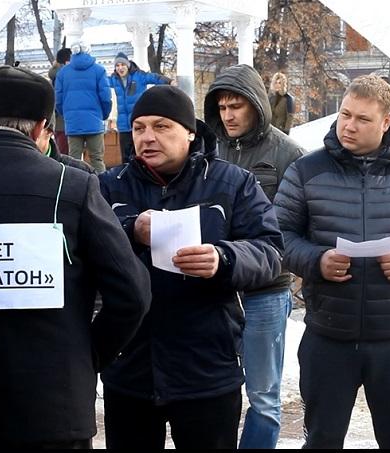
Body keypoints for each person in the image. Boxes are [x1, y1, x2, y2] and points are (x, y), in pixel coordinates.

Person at [0, 65, 151, 449]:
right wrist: (89, 353)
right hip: (53, 409)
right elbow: (132, 293)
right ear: (40, 129)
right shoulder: (73, 185)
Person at [98, 85, 284, 450]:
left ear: (190, 132)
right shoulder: (107, 187)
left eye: (162, 126)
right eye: (139, 128)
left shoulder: (232, 183)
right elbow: (81, 253)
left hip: (207, 367)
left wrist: (224, 258)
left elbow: (270, 251)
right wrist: (130, 230)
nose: (148, 137)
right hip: (131, 367)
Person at [274, 73, 390, 449]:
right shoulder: (307, 170)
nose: (349, 126)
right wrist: (317, 260)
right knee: (322, 439)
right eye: (344, 115)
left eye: (363, 119)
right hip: (328, 335)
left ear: (387, 121)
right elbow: (278, 235)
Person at [204, 63, 305, 449]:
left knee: (263, 395)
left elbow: (295, 224)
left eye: (237, 106)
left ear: (257, 106)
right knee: (215, 387)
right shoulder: (208, 148)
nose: (228, 115)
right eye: (223, 107)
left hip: (266, 288)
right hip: (216, 285)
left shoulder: (289, 153)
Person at [55, 41, 112, 173]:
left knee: (73, 160)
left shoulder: (63, 73)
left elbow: (58, 99)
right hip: (94, 121)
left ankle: (75, 190)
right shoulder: (99, 70)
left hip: (73, 122)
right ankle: (101, 189)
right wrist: (103, 115)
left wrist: (67, 115)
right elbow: (105, 97)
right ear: (88, 51)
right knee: (97, 159)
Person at [109, 52, 172, 164]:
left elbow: (154, 78)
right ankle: (126, 177)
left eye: (122, 65)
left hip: (138, 122)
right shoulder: (114, 80)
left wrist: (169, 81)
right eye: (117, 66)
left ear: (127, 65)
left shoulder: (139, 76)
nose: (120, 68)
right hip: (123, 125)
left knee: (139, 153)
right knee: (125, 155)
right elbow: (101, 82)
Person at [48, 47, 72, 155]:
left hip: (57, 121)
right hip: (64, 120)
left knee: (60, 150)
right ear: (67, 61)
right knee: (64, 153)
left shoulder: (54, 75)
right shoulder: (63, 76)